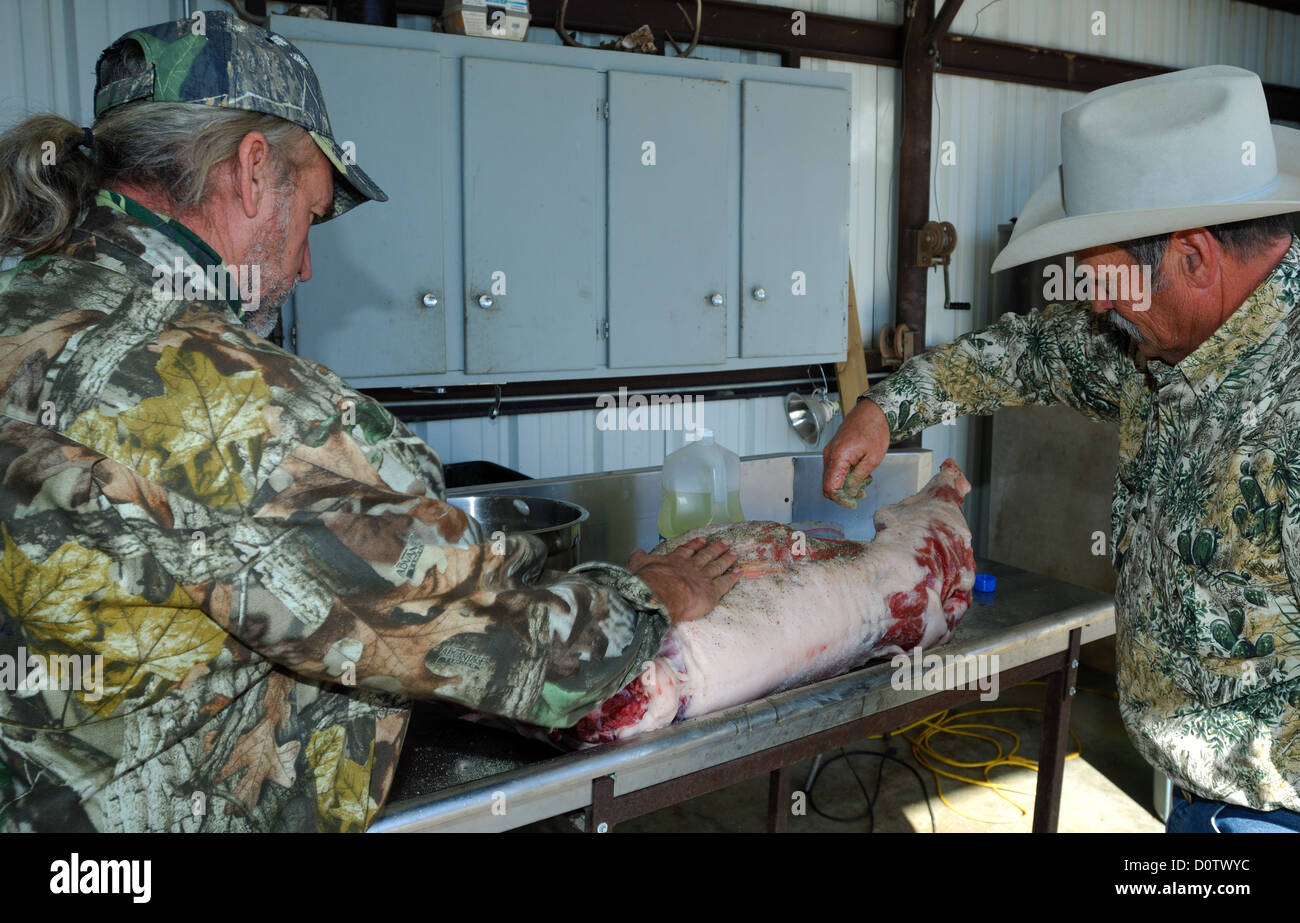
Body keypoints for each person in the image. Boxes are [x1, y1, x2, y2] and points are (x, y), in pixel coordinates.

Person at [0, 11, 736, 832]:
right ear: (251, 172)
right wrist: (651, 595)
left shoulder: (19, 309)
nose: (307, 265)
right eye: (310, 215)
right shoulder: (229, 403)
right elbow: (504, 651)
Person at [825, 65, 1300, 832]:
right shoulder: (1154, 341)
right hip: (1198, 798)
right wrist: (887, 406)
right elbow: (1027, 352)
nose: (1100, 307)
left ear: (1193, 257)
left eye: (1110, 284)